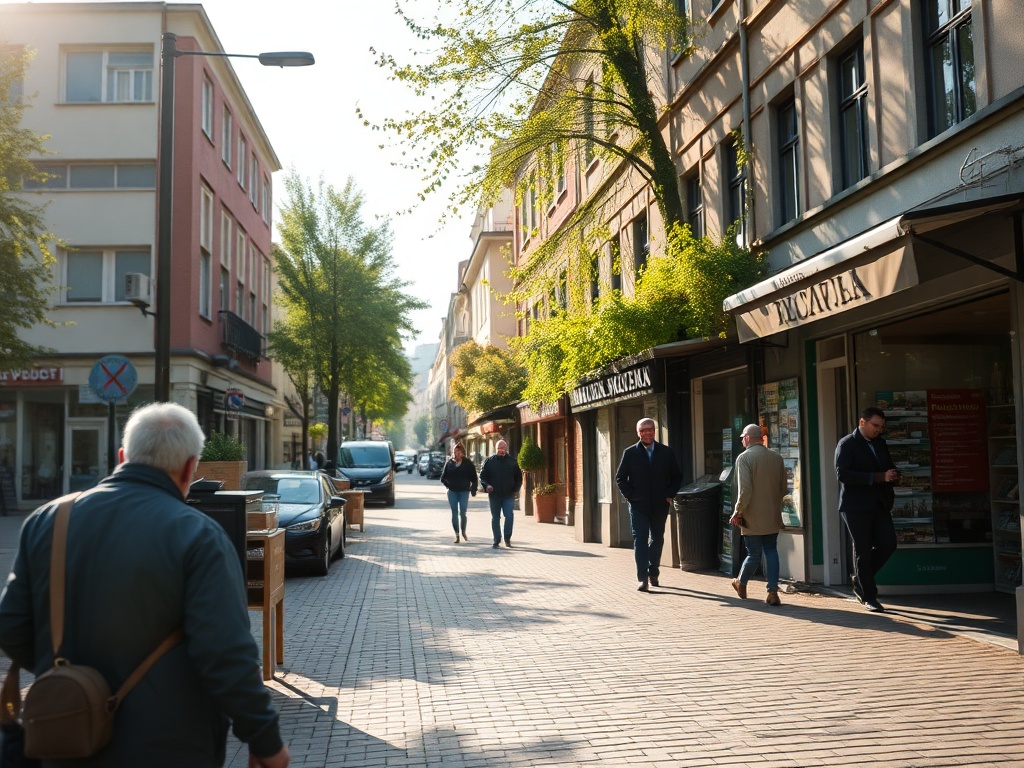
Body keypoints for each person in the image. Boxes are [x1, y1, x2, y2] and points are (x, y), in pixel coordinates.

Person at [0, 402, 289, 767]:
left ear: (123, 456)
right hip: (172, 744)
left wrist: (68, 671)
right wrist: (265, 740)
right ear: (189, 468)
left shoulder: (48, 521)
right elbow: (226, 652)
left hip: (66, 739)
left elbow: (11, 627)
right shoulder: (198, 535)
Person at [835, 406, 899, 613]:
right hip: (855, 506)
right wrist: (877, 477)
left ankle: (860, 579)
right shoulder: (847, 444)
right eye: (875, 425)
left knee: (888, 544)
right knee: (862, 549)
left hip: (879, 504)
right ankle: (869, 596)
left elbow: (887, 466)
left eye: (881, 427)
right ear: (862, 422)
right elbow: (843, 475)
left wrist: (893, 475)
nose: (878, 430)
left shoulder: (880, 443)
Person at [615, 418, 683, 591]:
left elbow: (677, 476)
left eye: (650, 429)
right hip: (639, 505)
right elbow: (620, 478)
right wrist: (631, 496)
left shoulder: (666, 452)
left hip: (660, 504)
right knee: (640, 539)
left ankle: (654, 571)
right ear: (638, 433)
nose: (647, 433)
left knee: (657, 538)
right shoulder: (630, 453)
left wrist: (669, 495)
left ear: (654, 431)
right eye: (643, 430)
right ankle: (642, 578)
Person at [729, 424, 788, 606]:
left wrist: (737, 511)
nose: (742, 441)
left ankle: (741, 581)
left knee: (753, 553)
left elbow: (745, 490)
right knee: (771, 550)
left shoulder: (744, 458)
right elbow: (784, 488)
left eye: (742, 438)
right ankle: (772, 591)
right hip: (772, 514)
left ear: (747, 438)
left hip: (751, 514)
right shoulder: (776, 458)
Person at [479, 439, 522, 549]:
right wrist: (487, 485)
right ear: (496, 449)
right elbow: (483, 477)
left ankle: (507, 538)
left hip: (508, 495)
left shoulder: (512, 461)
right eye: (499, 448)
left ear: (507, 449)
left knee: (509, 516)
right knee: (495, 518)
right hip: (494, 495)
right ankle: (496, 540)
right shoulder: (489, 462)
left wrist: (515, 489)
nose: (501, 450)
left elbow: (519, 478)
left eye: (503, 448)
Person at [440, 442, 478, 543]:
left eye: (460, 451)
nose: (458, 453)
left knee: (463, 513)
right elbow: (443, 478)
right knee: (454, 513)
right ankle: (457, 534)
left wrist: (473, 490)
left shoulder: (468, 463)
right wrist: (449, 486)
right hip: (452, 492)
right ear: (453, 452)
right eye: (456, 451)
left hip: (464, 492)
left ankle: (463, 531)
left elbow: (474, 478)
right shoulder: (449, 463)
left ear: (463, 452)